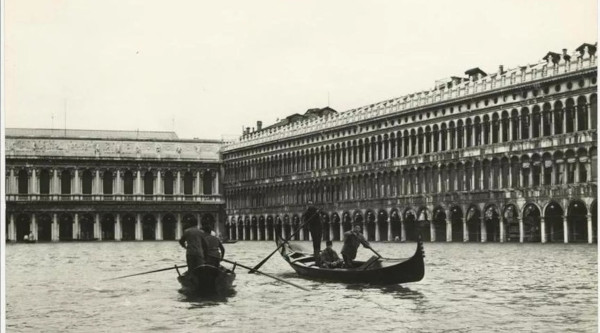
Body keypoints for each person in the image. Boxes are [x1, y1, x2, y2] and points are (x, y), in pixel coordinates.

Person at [304, 201, 322, 265]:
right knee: (315, 240)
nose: (310, 205)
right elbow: (305, 220)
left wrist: (318, 212)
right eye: (309, 204)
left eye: (311, 204)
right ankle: (316, 253)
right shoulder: (307, 212)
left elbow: (322, 212)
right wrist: (306, 224)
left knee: (319, 240)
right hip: (313, 228)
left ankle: (318, 253)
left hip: (319, 227)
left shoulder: (316, 210)